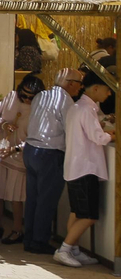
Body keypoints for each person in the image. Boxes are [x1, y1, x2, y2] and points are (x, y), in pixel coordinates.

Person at [55, 73, 115, 268]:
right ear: (95, 88)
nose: (109, 94)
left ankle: (73, 249)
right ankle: (64, 249)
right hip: (85, 168)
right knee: (88, 216)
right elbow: (98, 137)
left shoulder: (76, 107)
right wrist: (112, 135)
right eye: (107, 89)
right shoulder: (86, 109)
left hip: (75, 167)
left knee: (77, 212)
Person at [23, 68, 84, 254]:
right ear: (71, 83)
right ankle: (39, 240)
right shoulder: (66, 101)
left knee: (33, 198)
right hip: (49, 152)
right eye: (79, 83)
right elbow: (71, 129)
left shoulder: (41, 96)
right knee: (46, 200)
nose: (80, 88)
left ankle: (29, 238)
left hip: (31, 149)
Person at [0, 75, 41, 244]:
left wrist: (16, 148)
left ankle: (17, 229)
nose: (27, 99)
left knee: (16, 195)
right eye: (24, 95)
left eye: (31, 97)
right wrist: (3, 124)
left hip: (18, 155)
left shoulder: (38, 109)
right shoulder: (11, 97)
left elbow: (35, 138)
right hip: (1, 151)